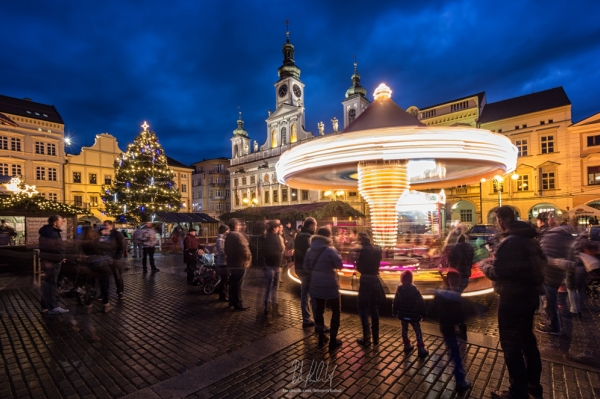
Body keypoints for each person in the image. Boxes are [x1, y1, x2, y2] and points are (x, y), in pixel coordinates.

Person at [481, 206, 544, 399]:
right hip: (530, 297)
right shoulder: (531, 240)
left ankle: (517, 392)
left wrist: (485, 266)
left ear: (502, 220)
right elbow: (542, 263)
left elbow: (500, 273)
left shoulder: (511, 242)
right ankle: (534, 387)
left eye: (497, 220)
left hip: (512, 299)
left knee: (511, 346)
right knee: (528, 343)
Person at [430, 270, 472, 392]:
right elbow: (460, 314)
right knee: (456, 354)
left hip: (445, 326)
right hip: (450, 328)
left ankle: (445, 369)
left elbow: (432, 309)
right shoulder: (455, 295)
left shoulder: (440, 292)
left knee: (452, 350)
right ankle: (460, 381)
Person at [304, 226, 343, 352]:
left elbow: (306, 266)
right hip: (330, 286)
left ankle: (321, 337)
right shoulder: (330, 250)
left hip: (316, 285)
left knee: (319, 312)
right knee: (336, 311)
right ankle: (333, 340)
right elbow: (339, 265)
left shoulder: (310, 250)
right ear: (328, 236)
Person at [536, 224, 575, 334]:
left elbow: (542, 256)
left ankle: (552, 326)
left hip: (547, 274)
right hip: (559, 275)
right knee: (552, 301)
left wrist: (556, 262)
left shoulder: (548, 237)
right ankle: (553, 323)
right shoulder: (569, 238)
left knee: (548, 303)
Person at [355, 232, 383, 347]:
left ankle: (367, 337)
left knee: (362, 308)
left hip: (365, 281)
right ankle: (376, 338)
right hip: (374, 280)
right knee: (374, 308)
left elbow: (359, 267)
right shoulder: (377, 250)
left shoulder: (361, 251)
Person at [392, 270, 428, 356]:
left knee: (404, 330)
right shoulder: (415, 290)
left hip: (403, 315)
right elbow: (421, 302)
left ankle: (406, 345)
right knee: (417, 330)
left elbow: (395, 301)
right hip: (413, 315)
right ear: (411, 280)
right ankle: (421, 348)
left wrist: (394, 311)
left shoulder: (399, 290)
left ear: (401, 280)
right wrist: (424, 314)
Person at [39, 215, 69, 314]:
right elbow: (52, 248)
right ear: (54, 223)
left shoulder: (50, 231)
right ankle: (53, 307)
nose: (62, 223)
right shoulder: (51, 233)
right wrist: (60, 255)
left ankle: (45, 306)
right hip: (52, 262)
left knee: (48, 283)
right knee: (51, 283)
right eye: (60, 221)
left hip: (51, 260)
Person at [81, 226, 113, 313]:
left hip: (88, 265)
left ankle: (88, 305)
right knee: (104, 285)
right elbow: (107, 249)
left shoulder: (82, 243)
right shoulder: (96, 242)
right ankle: (105, 304)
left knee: (89, 286)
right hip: (101, 265)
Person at [294, 217, 317, 328]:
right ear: (311, 226)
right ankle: (317, 322)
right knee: (313, 296)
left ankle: (306, 318)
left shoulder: (299, 235)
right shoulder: (309, 238)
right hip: (307, 269)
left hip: (299, 267)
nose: (316, 227)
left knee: (304, 294)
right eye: (315, 225)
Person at [224, 218, 251, 310]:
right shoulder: (237, 235)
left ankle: (232, 302)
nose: (240, 226)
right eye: (239, 225)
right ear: (235, 226)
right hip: (239, 263)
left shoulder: (228, 235)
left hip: (232, 262)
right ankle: (238, 304)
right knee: (238, 285)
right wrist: (248, 259)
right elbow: (244, 250)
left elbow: (226, 249)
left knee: (233, 283)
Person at [263, 220, 284, 317]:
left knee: (268, 287)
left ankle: (267, 307)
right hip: (276, 264)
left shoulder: (266, 237)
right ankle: (275, 309)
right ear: (274, 228)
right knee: (275, 287)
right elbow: (281, 249)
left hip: (268, 264)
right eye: (277, 227)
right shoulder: (276, 237)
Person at [103, 220, 125, 300]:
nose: (104, 226)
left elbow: (122, 245)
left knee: (117, 275)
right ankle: (104, 293)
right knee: (104, 276)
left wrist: (118, 256)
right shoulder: (102, 233)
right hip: (105, 257)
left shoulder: (117, 233)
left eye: (106, 225)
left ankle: (120, 292)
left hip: (114, 257)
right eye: (104, 225)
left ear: (110, 226)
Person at [215, 224, 230, 301]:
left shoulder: (223, 239)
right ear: (224, 231)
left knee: (225, 279)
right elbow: (221, 251)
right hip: (223, 262)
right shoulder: (220, 240)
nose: (229, 231)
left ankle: (223, 294)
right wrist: (228, 256)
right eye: (227, 230)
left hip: (223, 262)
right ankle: (222, 296)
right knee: (224, 279)